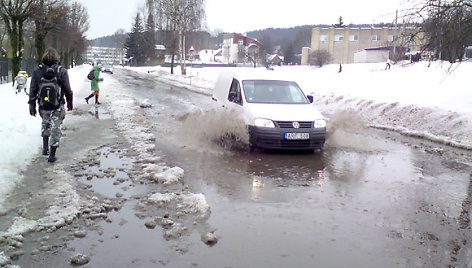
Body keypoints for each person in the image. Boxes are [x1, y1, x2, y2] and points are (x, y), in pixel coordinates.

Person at [28, 47, 73, 162]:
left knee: (45, 124)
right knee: (56, 127)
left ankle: (45, 149)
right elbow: (67, 89)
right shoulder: (61, 71)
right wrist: (69, 103)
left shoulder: (38, 71)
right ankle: (52, 155)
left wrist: (32, 106)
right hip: (57, 105)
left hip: (43, 105)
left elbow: (33, 89)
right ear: (56, 57)